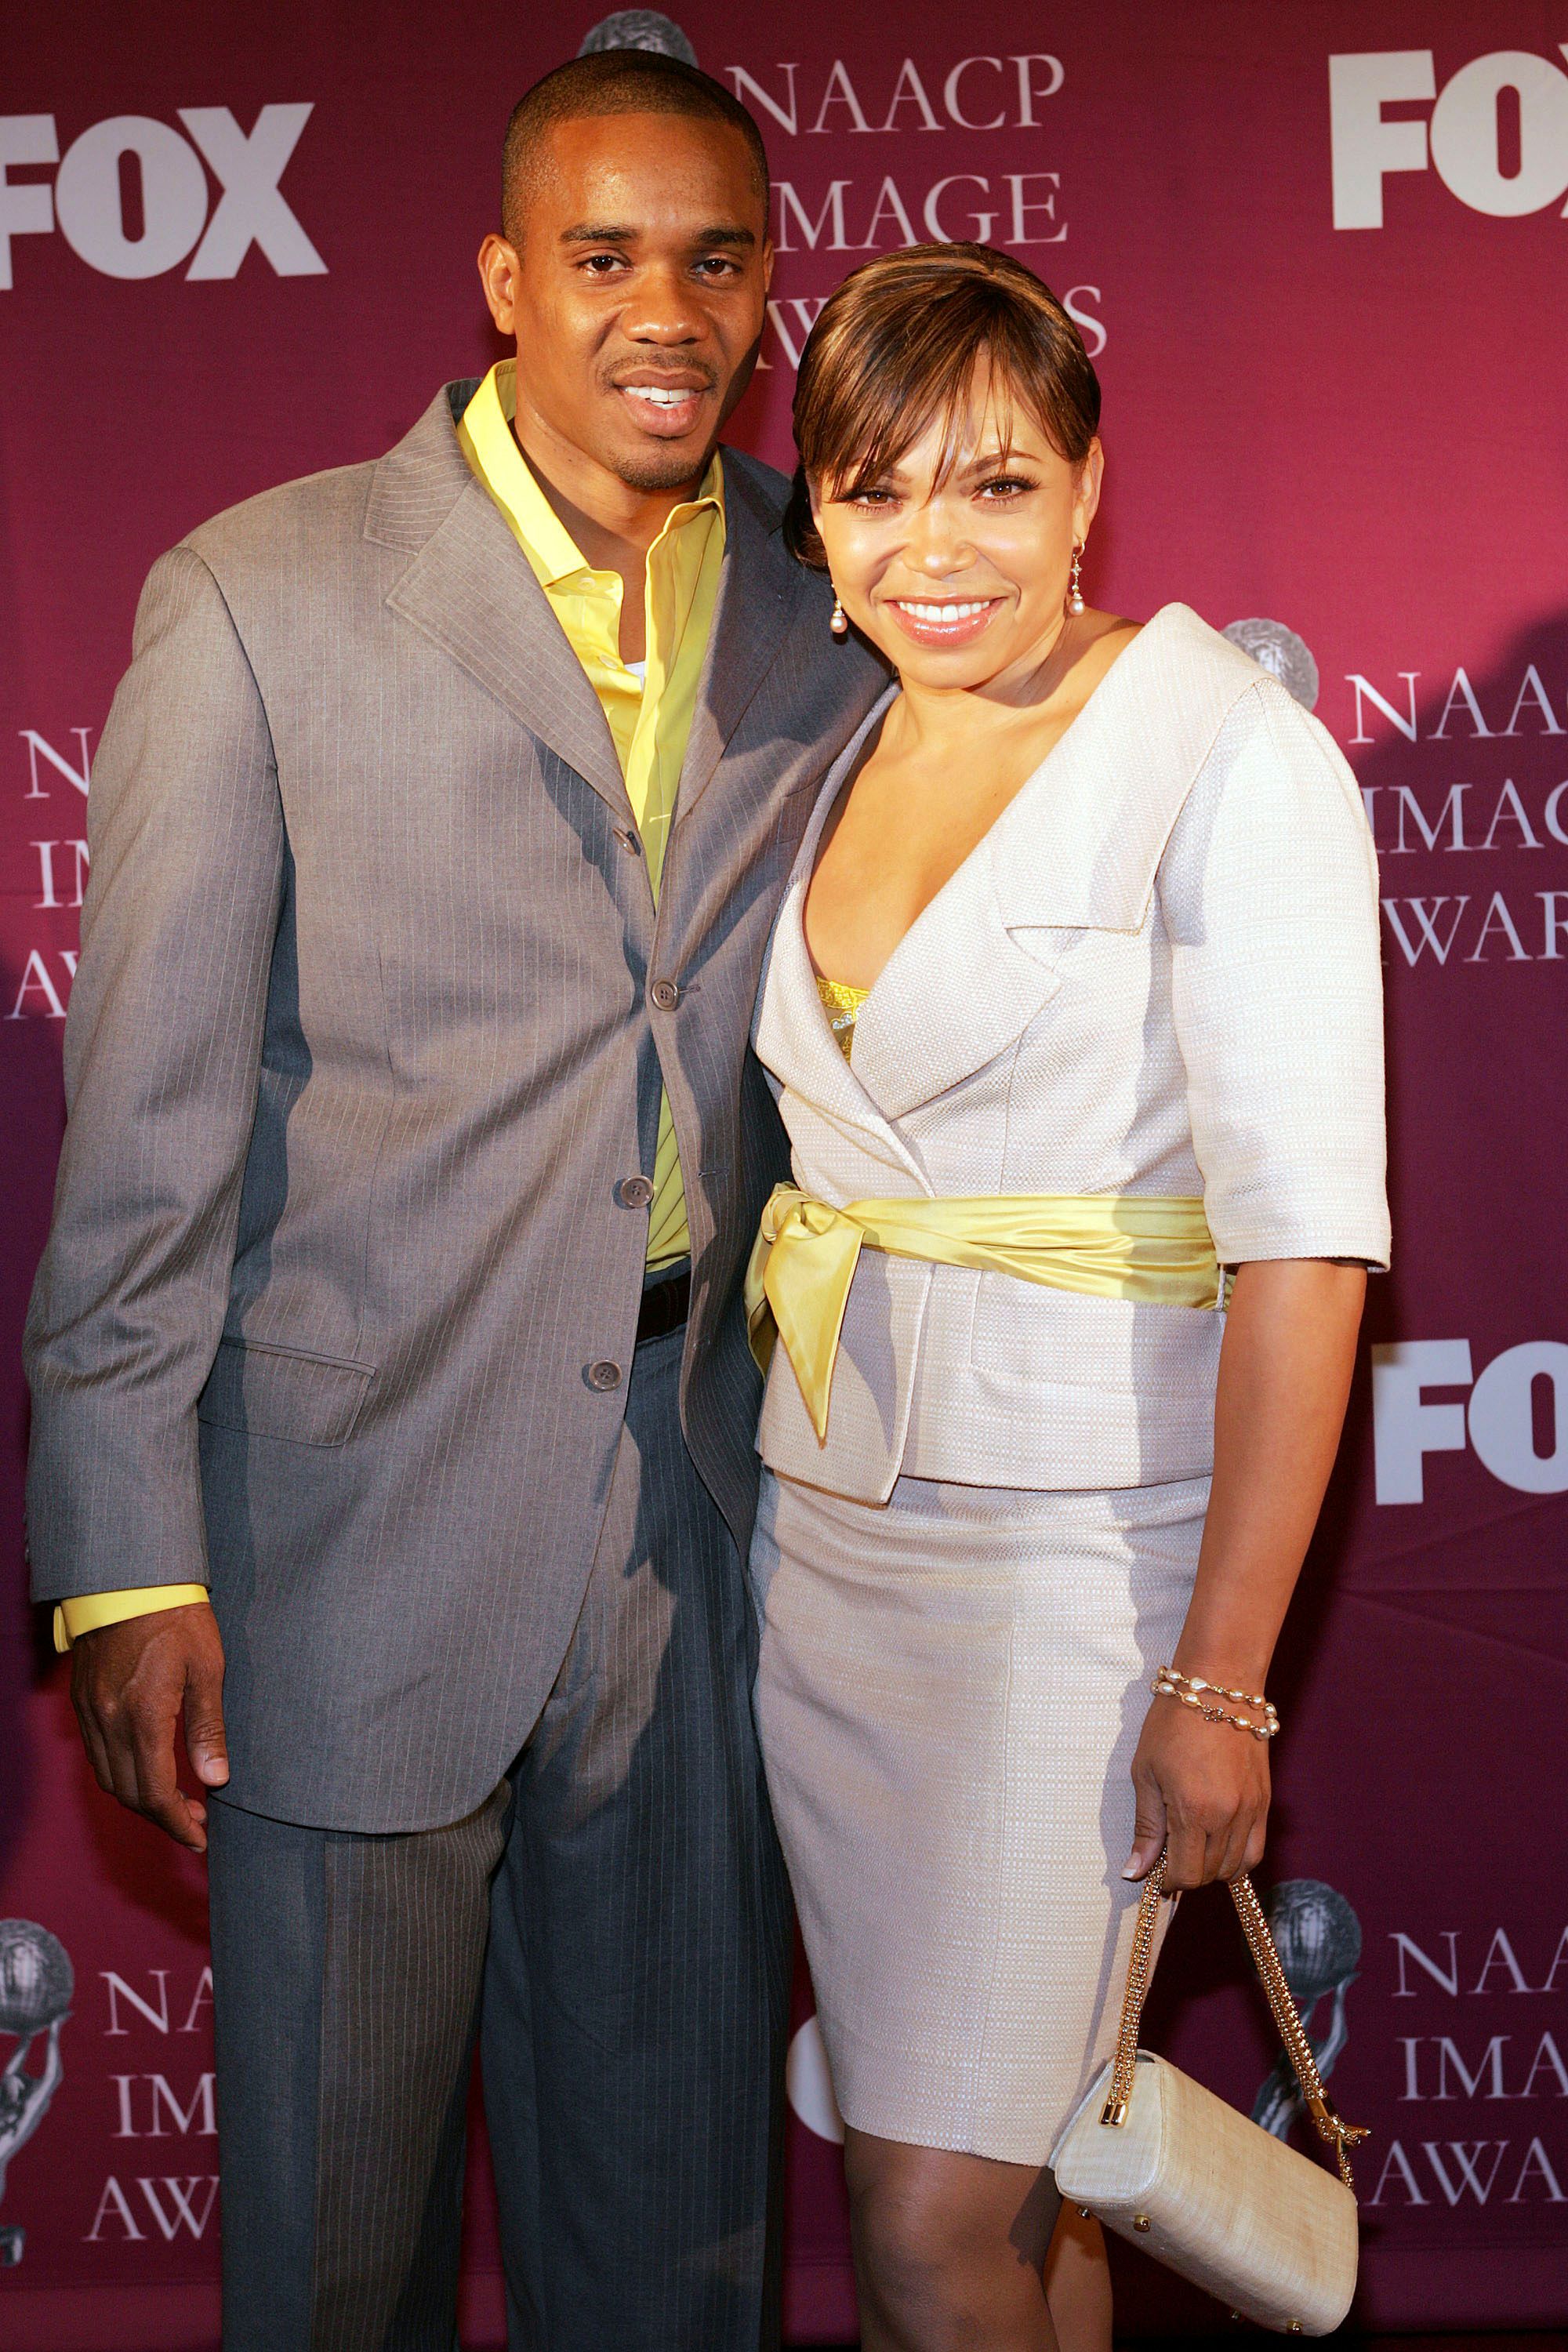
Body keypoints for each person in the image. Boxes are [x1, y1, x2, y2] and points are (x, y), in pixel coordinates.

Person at [23, 53, 887, 2352]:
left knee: (677, 2249)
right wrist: (123, 1560)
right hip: (344, 1542)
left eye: (717, 260)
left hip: (699, 1537)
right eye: (604, 257)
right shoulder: (263, 596)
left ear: (767, 287)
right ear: (505, 279)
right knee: (334, 2260)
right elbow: (148, 1137)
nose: (666, 312)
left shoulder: (845, 593)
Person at [744, 244, 1388, 2352]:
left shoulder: (1224, 752)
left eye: (996, 487)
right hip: (827, 1555)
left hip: (1075, 1587)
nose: (932, 548)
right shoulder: (837, 744)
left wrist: (1221, 1676)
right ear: (815, 512)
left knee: (930, 2226)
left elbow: (1305, 1248)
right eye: (873, 490)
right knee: (1017, 2183)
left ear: (1092, 486)